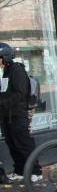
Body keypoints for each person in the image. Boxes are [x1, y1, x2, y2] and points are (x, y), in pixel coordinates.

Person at [0, 43, 41, 182]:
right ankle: (20, 171)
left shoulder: (16, 70)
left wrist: (3, 102)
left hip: (18, 114)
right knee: (12, 143)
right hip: (7, 115)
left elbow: (20, 93)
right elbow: (5, 92)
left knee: (24, 143)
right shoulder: (6, 71)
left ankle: (36, 171)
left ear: (4, 56)